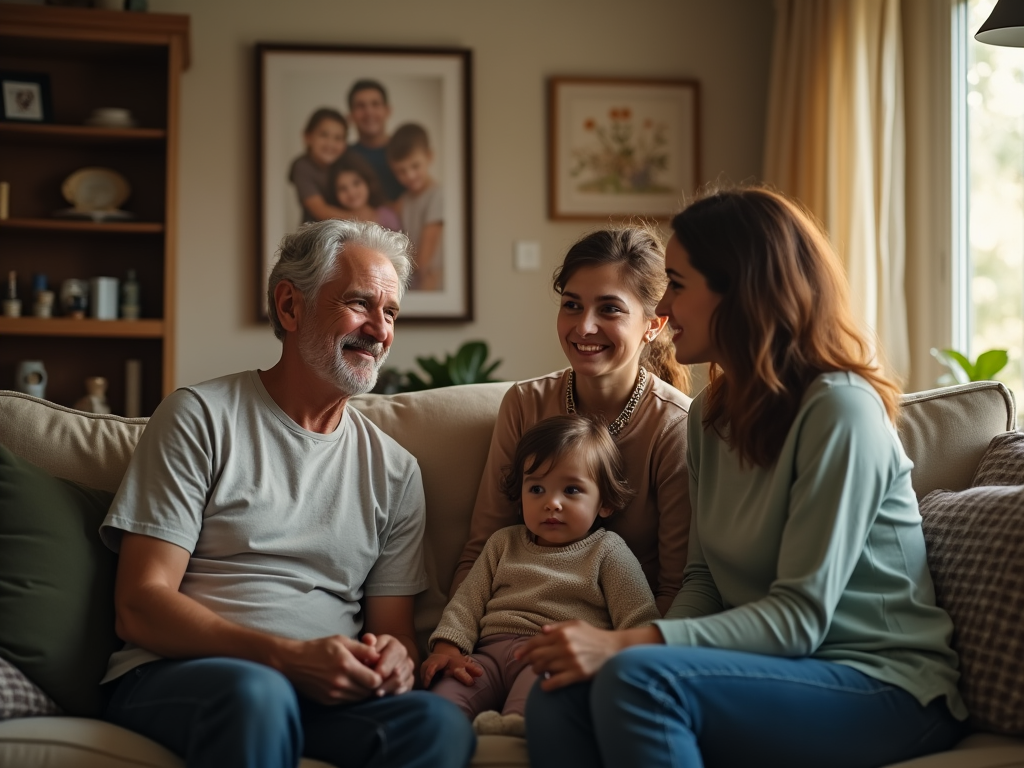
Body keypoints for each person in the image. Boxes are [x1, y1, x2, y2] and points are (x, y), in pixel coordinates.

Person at [521, 187, 968, 768]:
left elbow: (799, 619)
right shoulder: (710, 413)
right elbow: (704, 580)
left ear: (740, 290)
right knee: (557, 699)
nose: (666, 310)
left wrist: (630, 647)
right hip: (771, 671)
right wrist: (640, 654)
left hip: (882, 682)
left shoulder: (840, 409)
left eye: (677, 286)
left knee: (636, 680)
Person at [98, 220, 475, 768]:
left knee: (437, 723)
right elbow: (139, 606)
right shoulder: (199, 419)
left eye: (390, 312)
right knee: (260, 695)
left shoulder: (395, 472)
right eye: (359, 303)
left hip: (322, 697)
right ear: (290, 307)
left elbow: (392, 631)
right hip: (182, 678)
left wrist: (396, 659)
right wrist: (288, 659)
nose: (379, 330)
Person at [452, 227, 693, 615]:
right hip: (513, 628)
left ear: (653, 325)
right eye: (572, 305)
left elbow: (677, 584)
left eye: (610, 309)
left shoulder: (675, 426)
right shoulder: (524, 404)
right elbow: (482, 551)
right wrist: (457, 643)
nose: (583, 327)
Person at [422, 414, 660, 737]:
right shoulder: (503, 543)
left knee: (543, 690)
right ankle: (436, 727)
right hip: (486, 658)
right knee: (445, 697)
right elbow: (466, 603)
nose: (552, 503)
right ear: (520, 496)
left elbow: (639, 621)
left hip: (551, 656)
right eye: (536, 488)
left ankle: (514, 729)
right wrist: (448, 651)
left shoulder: (608, 551)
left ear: (604, 502)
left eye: (572, 490)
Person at [386, 122, 444, 291]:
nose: (409, 175)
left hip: (433, 285)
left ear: (429, 156)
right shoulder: (404, 200)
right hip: (413, 283)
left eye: (415, 166)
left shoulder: (438, 196)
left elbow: (424, 258)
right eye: (401, 171)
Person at [288, 107, 352, 224]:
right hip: (315, 234)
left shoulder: (348, 161)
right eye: (324, 135)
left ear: (345, 144)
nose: (330, 143)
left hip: (348, 231)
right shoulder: (302, 167)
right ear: (308, 137)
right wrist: (359, 218)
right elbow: (320, 211)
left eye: (338, 138)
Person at [347, 79, 404, 202]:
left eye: (375, 104)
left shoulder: (405, 150)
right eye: (361, 106)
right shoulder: (344, 157)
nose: (369, 112)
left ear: (387, 110)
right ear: (351, 115)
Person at [330, 151, 401, 231]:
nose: (351, 192)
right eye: (342, 188)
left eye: (356, 183)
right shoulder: (338, 226)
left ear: (367, 182)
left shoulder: (386, 215)